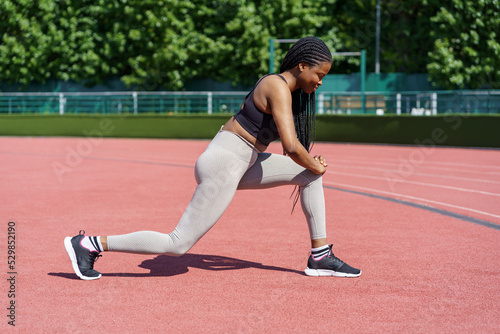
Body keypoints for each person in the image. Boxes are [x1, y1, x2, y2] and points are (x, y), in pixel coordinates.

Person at [64, 36, 361, 280]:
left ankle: (320, 256)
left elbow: (296, 154)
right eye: (319, 75)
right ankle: (89, 243)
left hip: (244, 159)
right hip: (225, 161)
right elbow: (292, 147)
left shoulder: (287, 91)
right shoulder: (276, 87)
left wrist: (312, 167)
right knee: (178, 244)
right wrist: (315, 162)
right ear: (302, 65)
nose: (320, 82)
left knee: (309, 175)